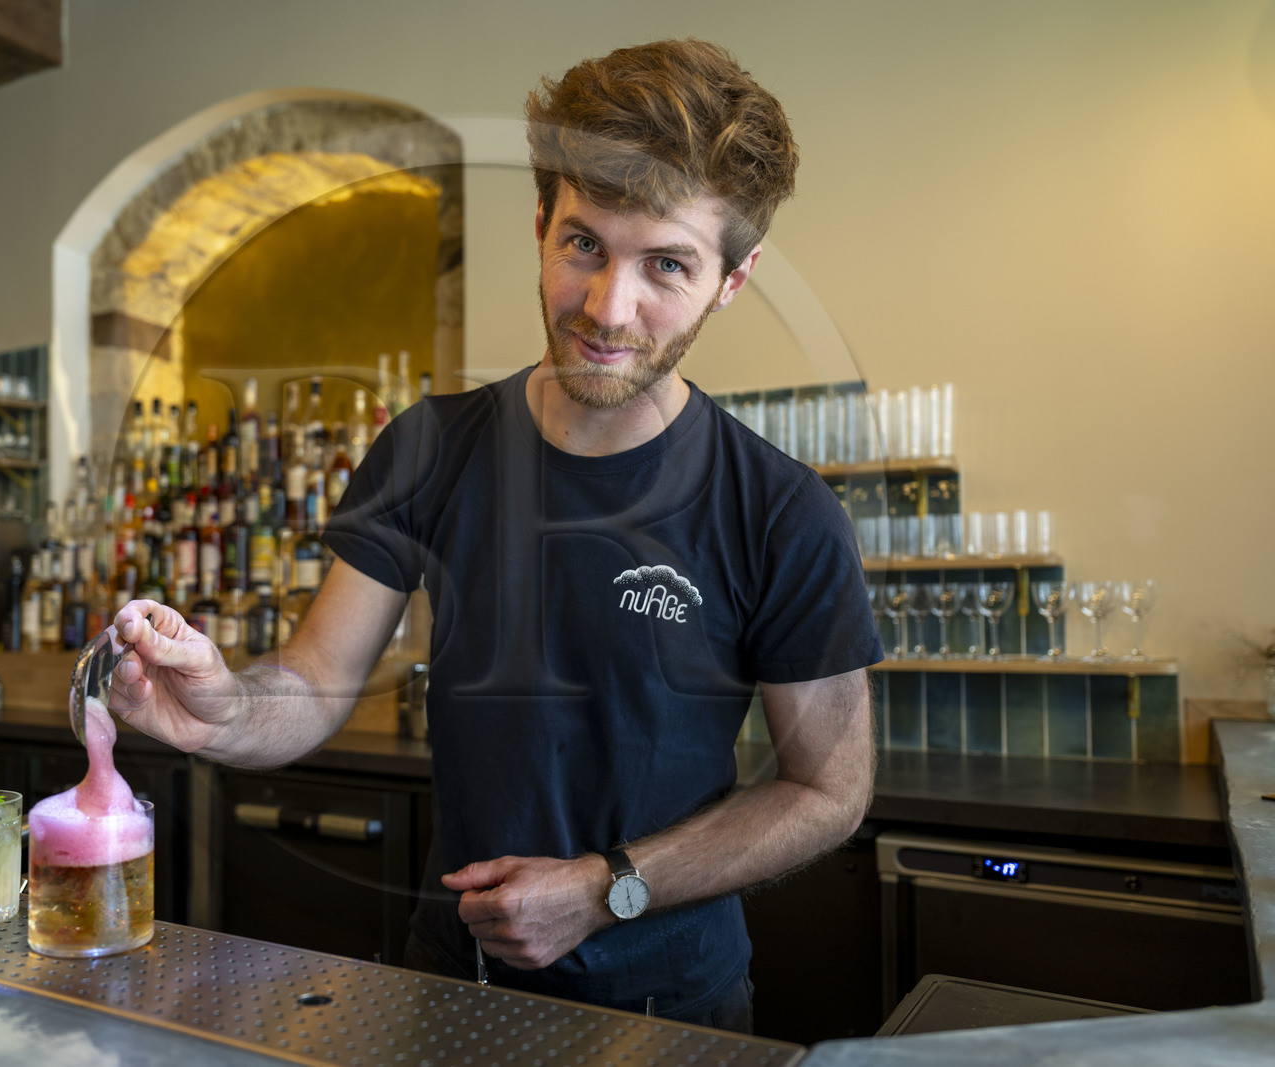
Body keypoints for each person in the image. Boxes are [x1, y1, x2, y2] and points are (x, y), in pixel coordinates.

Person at [108, 38, 881, 1034]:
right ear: (540, 223)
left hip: (672, 1009)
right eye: (584, 245)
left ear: (733, 278)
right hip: (452, 980)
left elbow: (828, 786)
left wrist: (610, 887)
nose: (609, 308)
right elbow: (310, 681)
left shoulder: (779, 510)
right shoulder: (428, 448)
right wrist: (222, 710)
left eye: (668, 266)